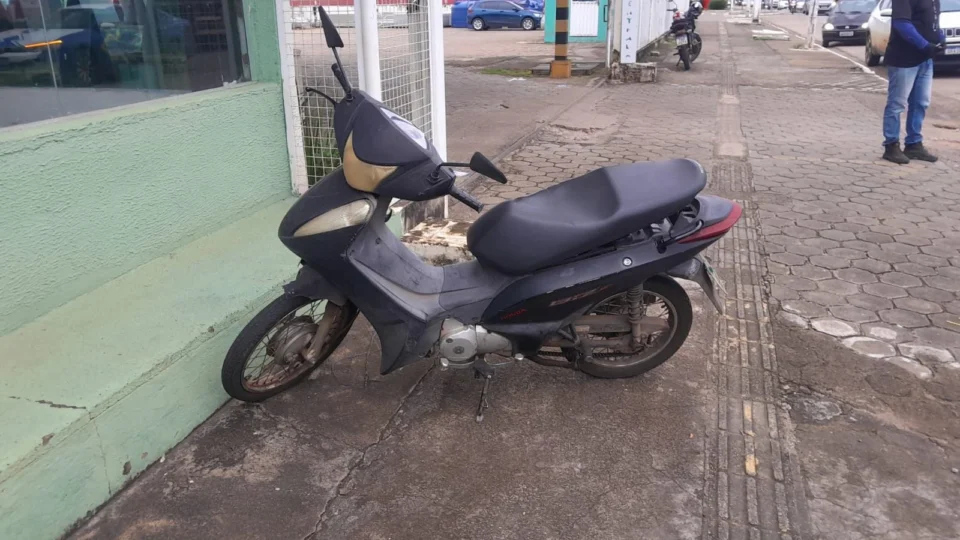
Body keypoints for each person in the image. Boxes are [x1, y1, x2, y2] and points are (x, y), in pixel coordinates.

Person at [881, 0, 945, 164]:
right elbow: (901, 24)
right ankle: (891, 145)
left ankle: (914, 144)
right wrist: (924, 45)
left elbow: (933, 23)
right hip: (904, 59)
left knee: (921, 103)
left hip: (925, 60)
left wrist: (940, 38)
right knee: (897, 104)